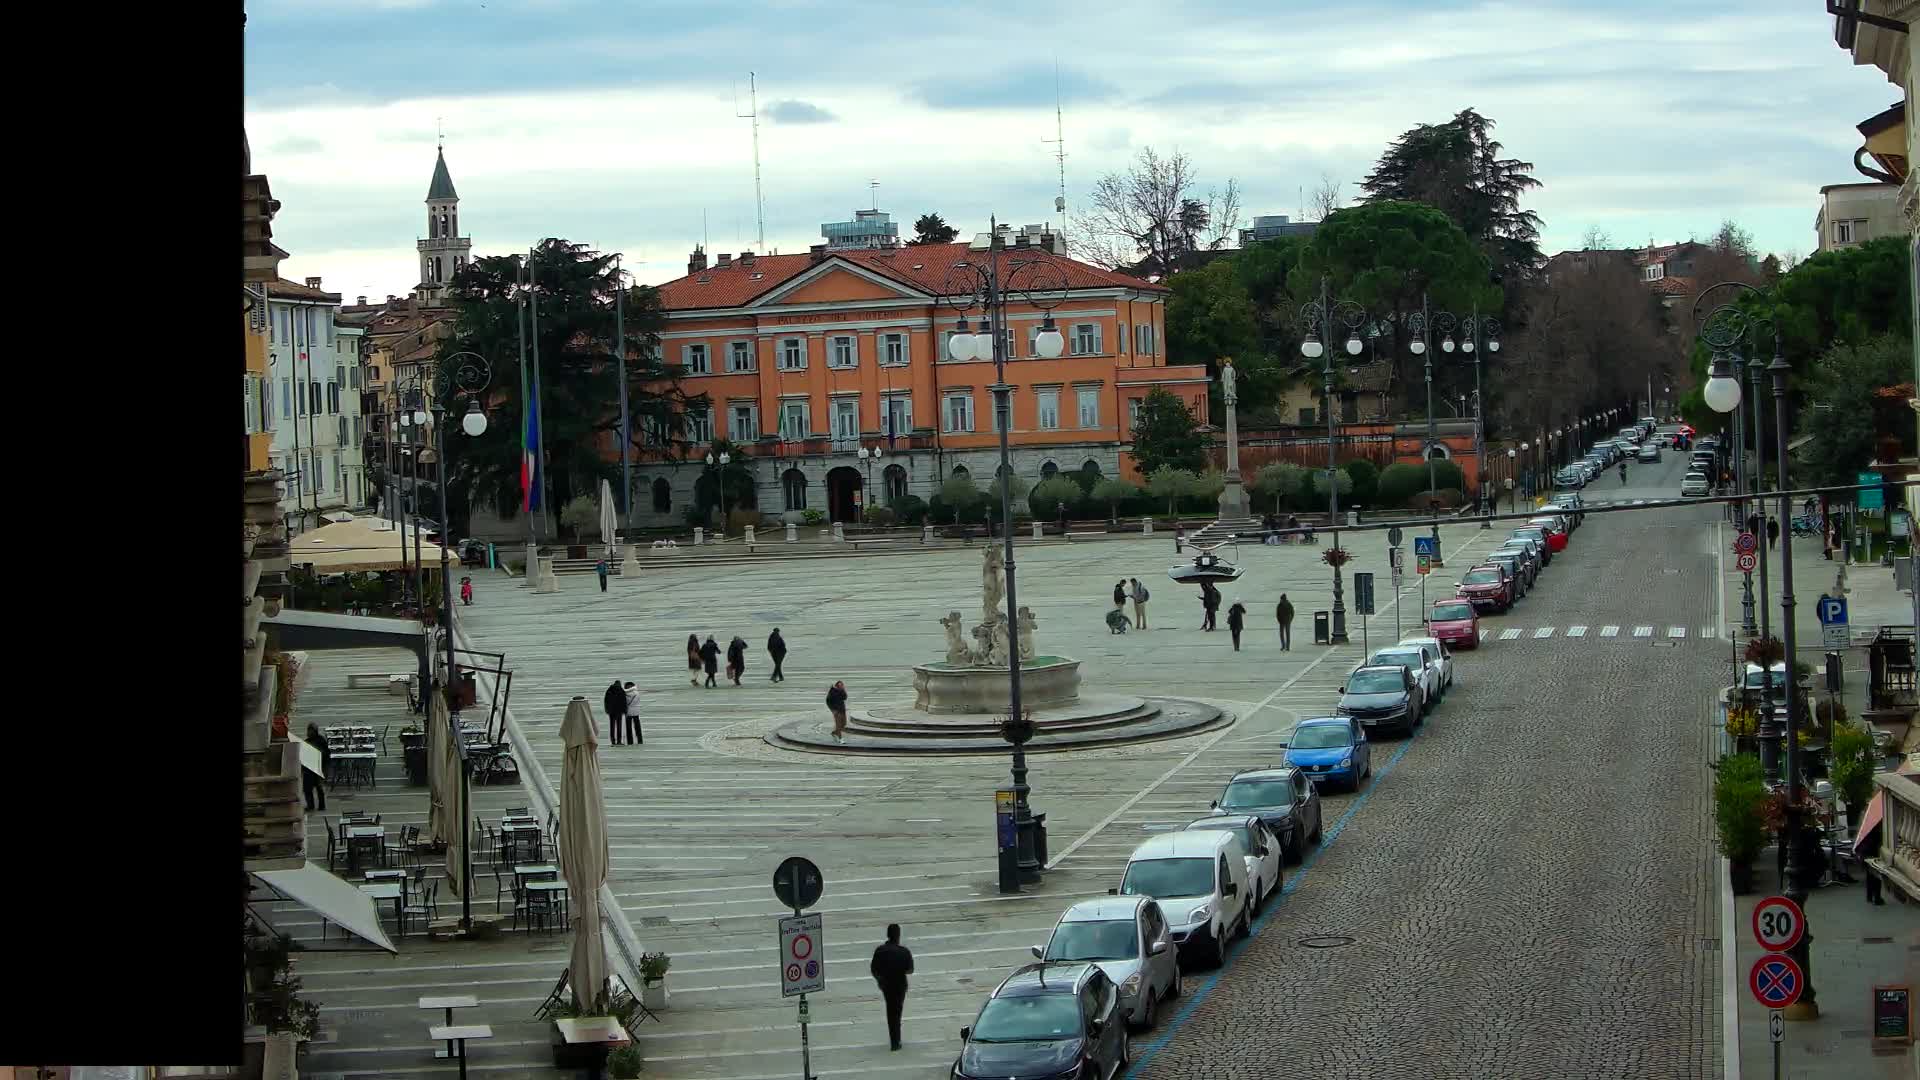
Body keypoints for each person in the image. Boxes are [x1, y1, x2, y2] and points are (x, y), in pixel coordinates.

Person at [869, 923, 915, 1051]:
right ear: (898, 935)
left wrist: (880, 980)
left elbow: (874, 969)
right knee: (897, 1011)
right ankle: (896, 1040)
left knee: (891, 1011)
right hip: (900, 985)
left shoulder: (880, 951)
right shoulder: (904, 951)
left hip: (886, 985)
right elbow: (910, 970)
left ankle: (894, 1040)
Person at [302, 723, 330, 810]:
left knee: (319, 787)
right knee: (307, 789)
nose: (309, 732)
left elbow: (326, 754)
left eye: (311, 730)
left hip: (319, 767)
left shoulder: (321, 741)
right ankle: (310, 805)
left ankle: (322, 805)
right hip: (309, 769)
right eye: (309, 730)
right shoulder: (306, 741)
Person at [603, 680, 628, 746]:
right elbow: (624, 702)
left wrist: (607, 710)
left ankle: (613, 741)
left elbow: (606, 701)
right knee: (619, 726)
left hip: (611, 711)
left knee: (612, 726)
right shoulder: (621, 691)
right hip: (619, 711)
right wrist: (625, 711)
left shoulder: (609, 690)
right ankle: (619, 741)